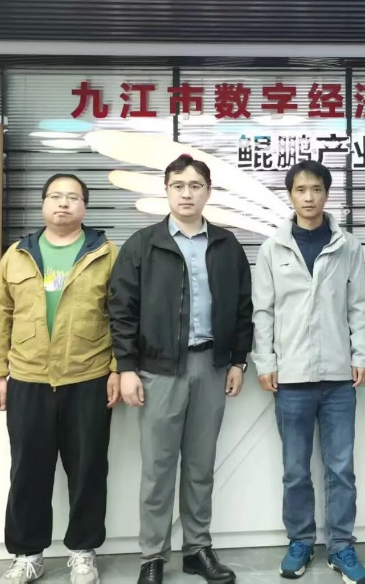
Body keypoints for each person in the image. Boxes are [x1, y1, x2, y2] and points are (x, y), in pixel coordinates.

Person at [109, 154, 252, 584]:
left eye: (195, 186)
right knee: (158, 467)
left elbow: (243, 307)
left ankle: (197, 549)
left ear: (208, 192)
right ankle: (152, 555)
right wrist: (127, 367)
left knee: (200, 465)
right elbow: (121, 310)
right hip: (158, 370)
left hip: (211, 365)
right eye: (178, 185)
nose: (186, 193)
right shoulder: (143, 244)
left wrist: (238, 359)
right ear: (166, 191)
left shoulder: (226, 245)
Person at [0, 173, 121, 584]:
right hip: (28, 377)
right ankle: (28, 555)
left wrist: (117, 368)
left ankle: (83, 552)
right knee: (28, 470)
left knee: (88, 469)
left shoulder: (106, 254)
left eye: (73, 197)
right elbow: (0, 315)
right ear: (44, 204)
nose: (63, 203)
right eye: (56, 196)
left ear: (85, 206)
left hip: (88, 376)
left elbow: (123, 315)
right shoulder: (17, 255)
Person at [251, 160, 365, 584]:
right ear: (290, 195)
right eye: (301, 190)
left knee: (341, 469)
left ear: (326, 194)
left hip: (339, 377)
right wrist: (265, 362)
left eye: (316, 189)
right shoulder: (273, 248)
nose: (308, 197)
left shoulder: (348, 246)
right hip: (290, 379)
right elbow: (263, 312)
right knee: (295, 470)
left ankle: (341, 546)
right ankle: (300, 540)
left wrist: (361, 355)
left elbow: (358, 307)